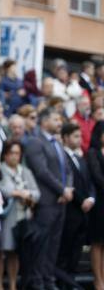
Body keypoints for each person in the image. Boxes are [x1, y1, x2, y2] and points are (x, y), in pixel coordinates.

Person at [24, 109, 74, 290]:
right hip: (45, 202)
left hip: (61, 201)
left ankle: (48, 279)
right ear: (44, 122)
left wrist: (67, 189)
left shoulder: (57, 143)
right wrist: (62, 190)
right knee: (41, 245)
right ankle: (37, 282)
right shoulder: (35, 142)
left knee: (54, 245)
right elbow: (41, 171)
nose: (60, 122)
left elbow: (67, 169)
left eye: (60, 119)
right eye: (55, 119)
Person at [0, 140, 40, 290]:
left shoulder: (25, 171)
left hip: (21, 218)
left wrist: (27, 194)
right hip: (4, 218)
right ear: (5, 154)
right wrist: (21, 193)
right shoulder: (0, 170)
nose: (14, 156)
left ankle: (12, 285)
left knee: (15, 253)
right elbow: (4, 190)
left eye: (17, 153)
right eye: (11, 153)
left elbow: (37, 193)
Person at [57, 122, 95, 289]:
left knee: (76, 253)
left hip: (83, 213)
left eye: (80, 136)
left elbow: (89, 182)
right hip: (70, 211)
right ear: (65, 137)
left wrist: (91, 198)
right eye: (75, 136)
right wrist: (82, 200)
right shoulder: (62, 157)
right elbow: (69, 184)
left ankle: (70, 282)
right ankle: (62, 283)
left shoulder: (81, 158)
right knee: (64, 253)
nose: (80, 140)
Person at [87, 122, 104, 290]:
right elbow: (97, 176)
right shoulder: (93, 152)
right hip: (99, 202)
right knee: (97, 242)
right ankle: (98, 279)